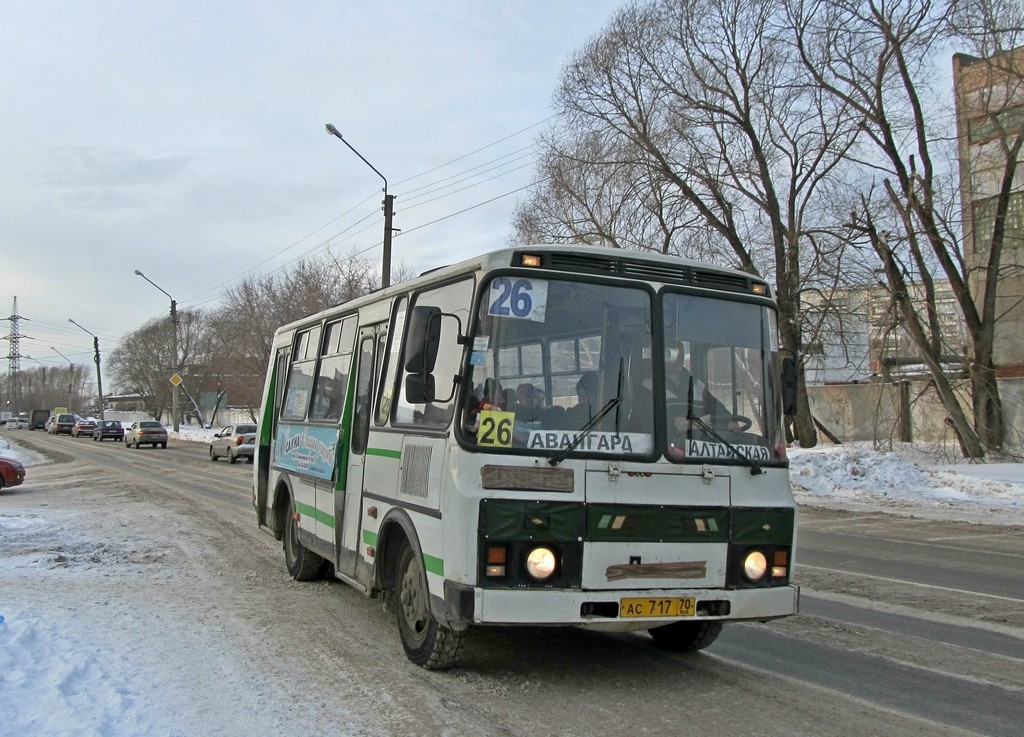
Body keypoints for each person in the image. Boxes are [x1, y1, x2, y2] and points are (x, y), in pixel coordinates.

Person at [665, 344, 739, 432]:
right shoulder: (649, 385)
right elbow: (647, 418)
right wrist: (672, 422)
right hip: (665, 443)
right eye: (674, 355)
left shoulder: (696, 385)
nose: (678, 359)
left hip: (696, 442)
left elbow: (715, 408)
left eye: (681, 355)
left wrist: (729, 421)